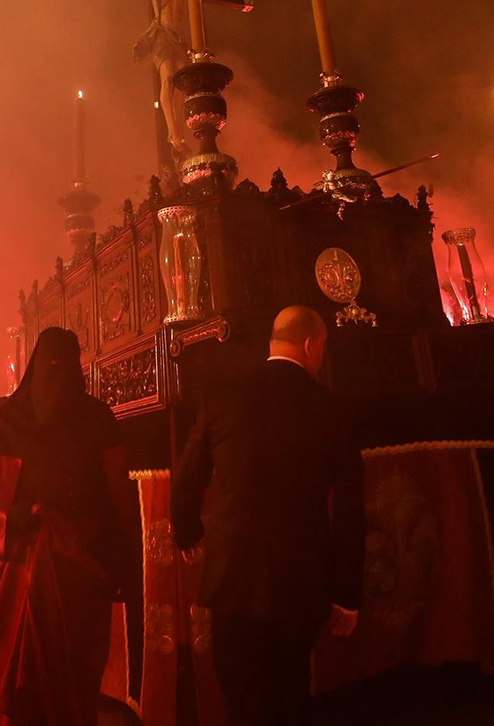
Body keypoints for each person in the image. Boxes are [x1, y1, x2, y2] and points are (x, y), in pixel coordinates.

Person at [171, 306, 366, 726]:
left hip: (232, 581)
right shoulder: (332, 409)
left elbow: (188, 475)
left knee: (241, 700)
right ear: (311, 345)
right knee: (289, 695)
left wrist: (187, 534)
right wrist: (346, 596)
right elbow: (350, 508)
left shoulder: (222, 395)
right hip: (301, 584)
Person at [0, 327, 139, 726]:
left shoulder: (10, 419)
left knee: (54, 680)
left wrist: (20, 518)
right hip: (55, 571)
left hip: (49, 572)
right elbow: (118, 500)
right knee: (65, 681)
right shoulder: (93, 418)